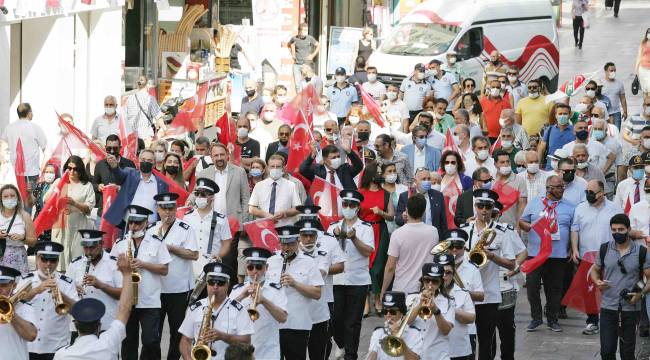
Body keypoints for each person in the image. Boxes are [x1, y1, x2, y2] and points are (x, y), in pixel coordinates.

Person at [458, 189, 515, 360]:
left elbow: (511, 263)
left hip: (489, 295)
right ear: (475, 206)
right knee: (465, 340)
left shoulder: (500, 232)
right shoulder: (464, 230)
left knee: (486, 342)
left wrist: (491, 256)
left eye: (488, 207)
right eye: (480, 206)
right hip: (466, 293)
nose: (484, 210)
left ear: (492, 209)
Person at [110, 205, 172, 360]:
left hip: (149, 301)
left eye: (137, 223)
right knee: (128, 341)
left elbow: (165, 270)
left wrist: (144, 264)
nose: (133, 226)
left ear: (146, 223)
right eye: (131, 222)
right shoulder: (121, 243)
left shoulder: (157, 242)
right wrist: (123, 268)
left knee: (151, 341)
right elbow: (111, 269)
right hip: (127, 300)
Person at [519, 175, 575, 333]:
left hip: (558, 255)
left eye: (562, 187)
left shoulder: (570, 207)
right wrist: (528, 227)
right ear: (549, 188)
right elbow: (522, 221)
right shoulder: (535, 203)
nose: (561, 190)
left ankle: (552, 319)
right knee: (532, 286)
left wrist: (572, 248)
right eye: (558, 187)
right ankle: (536, 318)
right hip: (536, 254)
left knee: (555, 288)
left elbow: (574, 230)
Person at [590, 214, 650, 360]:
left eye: (621, 229)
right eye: (614, 230)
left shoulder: (641, 251)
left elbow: (648, 278)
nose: (617, 233)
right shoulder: (605, 249)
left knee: (627, 353)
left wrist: (640, 294)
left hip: (630, 309)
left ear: (629, 229)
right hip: (608, 307)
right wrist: (597, 281)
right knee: (607, 350)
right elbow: (595, 270)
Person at [54, 252, 133, 360]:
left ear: (76, 324)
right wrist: (127, 274)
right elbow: (125, 308)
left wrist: (59, 293)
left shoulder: (61, 355)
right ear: (99, 326)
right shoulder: (108, 344)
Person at [569, 180, 623, 335]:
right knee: (589, 289)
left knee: (610, 287)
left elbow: (621, 231)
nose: (588, 195)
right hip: (587, 256)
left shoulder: (614, 208)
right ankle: (592, 321)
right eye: (587, 191)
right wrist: (574, 249)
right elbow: (575, 230)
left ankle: (611, 319)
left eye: (592, 192)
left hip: (610, 255)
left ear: (602, 192)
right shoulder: (580, 208)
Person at [150, 192, 199, 360]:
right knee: (153, 333)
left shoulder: (185, 228)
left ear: (176, 208)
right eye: (164, 209)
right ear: (158, 209)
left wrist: (171, 248)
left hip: (178, 288)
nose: (167, 213)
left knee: (176, 331)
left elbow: (194, 254)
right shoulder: (151, 229)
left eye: (171, 208)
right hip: (155, 288)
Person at [327, 190, 374, 360]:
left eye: (351, 205)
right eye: (345, 204)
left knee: (353, 322)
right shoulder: (332, 226)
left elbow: (368, 251)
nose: (347, 208)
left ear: (357, 207)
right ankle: (340, 344)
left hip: (358, 280)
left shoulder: (365, 227)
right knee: (336, 320)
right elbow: (326, 253)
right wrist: (334, 237)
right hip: (337, 280)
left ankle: (351, 355)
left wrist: (354, 238)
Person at [266, 225, 323, 360]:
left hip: (297, 325)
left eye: (291, 243)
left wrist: (295, 284)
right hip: (273, 324)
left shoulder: (309, 262)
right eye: (284, 244)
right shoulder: (270, 262)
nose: (286, 248)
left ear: (298, 241)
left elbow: (317, 293)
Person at [178, 261, 253, 360]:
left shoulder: (239, 310)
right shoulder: (195, 308)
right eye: (211, 282)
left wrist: (222, 336)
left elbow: (246, 341)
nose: (215, 287)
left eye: (220, 283)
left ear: (228, 284)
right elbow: (185, 340)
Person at [18, 241, 78, 359]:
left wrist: (61, 294)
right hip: (28, 346)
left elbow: (77, 310)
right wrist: (37, 290)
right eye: (44, 259)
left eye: (53, 260)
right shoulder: (25, 280)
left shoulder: (67, 282)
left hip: (56, 347)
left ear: (58, 261)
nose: (48, 264)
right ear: (36, 259)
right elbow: (16, 303)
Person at [230, 247, 288, 359]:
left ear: (266, 268)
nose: (254, 271)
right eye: (250, 267)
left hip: (268, 352)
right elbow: (226, 314)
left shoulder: (276, 289)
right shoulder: (237, 289)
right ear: (246, 268)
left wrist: (264, 301)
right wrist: (242, 296)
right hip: (242, 352)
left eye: (259, 267)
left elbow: (283, 318)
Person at [66, 230, 123, 333]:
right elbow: (65, 293)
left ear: (101, 244)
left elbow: (123, 294)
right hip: (80, 324)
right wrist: (74, 290)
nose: (88, 252)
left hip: (106, 324)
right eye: (85, 247)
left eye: (92, 247)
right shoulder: (75, 264)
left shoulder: (114, 263)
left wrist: (101, 285)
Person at [381, 193, 437, 296]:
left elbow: (390, 267)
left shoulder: (397, 234)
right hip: (425, 289)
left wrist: (383, 291)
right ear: (424, 211)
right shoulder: (433, 232)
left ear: (406, 210)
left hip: (401, 289)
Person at [358, 162, 395, 314]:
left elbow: (391, 216)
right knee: (364, 266)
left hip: (380, 230)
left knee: (378, 268)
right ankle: (366, 303)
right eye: (379, 172)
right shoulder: (360, 192)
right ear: (371, 174)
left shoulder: (386, 194)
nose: (381, 175)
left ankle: (378, 299)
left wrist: (381, 212)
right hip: (363, 231)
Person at [48, 155, 96, 271]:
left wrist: (74, 203)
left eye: (75, 169)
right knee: (59, 263)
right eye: (69, 168)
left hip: (78, 228)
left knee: (78, 262)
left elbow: (88, 208)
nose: (72, 171)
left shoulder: (86, 185)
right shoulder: (60, 182)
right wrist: (58, 198)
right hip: (60, 228)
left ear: (80, 170)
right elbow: (47, 200)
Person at [104, 150, 169, 225]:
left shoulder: (162, 184)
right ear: (139, 161)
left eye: (149, 160)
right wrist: (115, 166)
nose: (146, 162)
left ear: (154, 164)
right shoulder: (130, 173)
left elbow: (164, 207)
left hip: (151, 227)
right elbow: (119, 177)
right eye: (143, 160)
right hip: (129, 225)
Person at [184, 178, 232, 276]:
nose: (199, 197)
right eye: (197, 194)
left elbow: (226, 243)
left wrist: (219, 255)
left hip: (211, 265)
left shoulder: (221, 219)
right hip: (190, 265)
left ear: (212, 197)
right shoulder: (187, 217)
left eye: (203, 194)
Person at [195, 143, 250, 227]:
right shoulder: (204, 173)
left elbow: (246, 198)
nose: (219, 158)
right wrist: (189, 201)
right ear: (211, 157)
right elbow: (195, 192)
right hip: (209, 221)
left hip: (233, 222)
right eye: (216, 155)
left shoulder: (240, 172)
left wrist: (244, 222)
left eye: (222, 155)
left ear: (227, 155)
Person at [407, 263, 455, 358]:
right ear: (422, 280)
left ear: (440, 282)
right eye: (427, 280)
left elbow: (446, 331)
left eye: (434, 281)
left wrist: (436, 310)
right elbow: (405, 323)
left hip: (438, 355)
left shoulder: (449, 301)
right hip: (414, 354)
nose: (430, 284)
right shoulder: (411, 298)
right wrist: (419, 305)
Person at [1, 103, 47, 192]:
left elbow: (2, 144)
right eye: (32, 112)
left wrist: (4, 160)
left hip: (14, 172)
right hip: (31, 172)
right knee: (30, 201)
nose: (32, 114)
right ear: (29, 113)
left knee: (16, 199)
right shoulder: (35, 128)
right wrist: (43, 169)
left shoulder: (9, 127)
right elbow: (46, 149)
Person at [367, 291, 422, 360]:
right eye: (385, 311)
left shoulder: (415, 333)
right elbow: (371, 357)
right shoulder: (378, 332)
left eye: (392, 312)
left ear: (402, 313)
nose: (388, 315)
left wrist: (401, 342)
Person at [249, 154, 300, 227]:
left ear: (283, 168)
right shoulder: (259, 186)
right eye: (272, 166)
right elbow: (252, 209)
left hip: (284, 229)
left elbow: (297, 208)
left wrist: (284, 213)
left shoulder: (291, 185)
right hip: (264, 228)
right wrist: (266, 215)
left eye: (278, 167)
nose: (275, 169)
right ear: (268, 168)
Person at [93, 134, 136, 218]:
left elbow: (133, 186)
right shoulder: (100, 165)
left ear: (120, 148)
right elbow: (93, 184)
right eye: (109, 148)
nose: (112, 151)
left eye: (115, 148)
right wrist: (98, 186)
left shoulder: (129, 164)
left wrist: (119, 188)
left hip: (122, 212)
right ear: (105, 147)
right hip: (104, 210)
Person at [0, 265, 37, 360]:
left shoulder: (24, 306)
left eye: (3, 285)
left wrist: (8, 310)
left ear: (14, 285)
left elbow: (31, 335)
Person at [395, 168, 448, 233]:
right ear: (415, 181)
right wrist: (403, 217)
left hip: (433, 236)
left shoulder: (438, 196)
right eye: (423, 179)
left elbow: (443, 221)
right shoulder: (405, 196)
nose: (427, 181)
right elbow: (398, 220)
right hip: (413, 236)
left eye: (429, 179)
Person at [0, 184, 36, 274]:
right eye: (5, 196)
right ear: (1, 199)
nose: (9, 199)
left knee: (19, 286)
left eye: (12, 196)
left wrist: (22, 238)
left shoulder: (25, 216)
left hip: (18, 259)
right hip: (1, 255)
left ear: (18, 198)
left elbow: (34, 242)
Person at [491, 150, 527, 228]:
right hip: (491, 227)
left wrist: (518, 226)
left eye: (508, 161)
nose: (506, 164)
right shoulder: (490, 179)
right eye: (502, 162)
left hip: (511, 228)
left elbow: (522, 206)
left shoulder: (520, 181)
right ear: (495, 164)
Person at [125, 76, 160, 143]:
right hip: (145, 136)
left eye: (141, 80)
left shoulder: (129, 98)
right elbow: (158, 116)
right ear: (147, 84)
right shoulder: (150, 98)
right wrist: (165, 130)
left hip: (132, 136)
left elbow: (125, 118)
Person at [288, 23, 320, 92]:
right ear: (299, 31)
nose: (306, 32)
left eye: (306, 30)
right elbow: (289, 44)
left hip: (306, 64)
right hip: (297, 64)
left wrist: (313, 55)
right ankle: (299, 100)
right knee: (297, 85)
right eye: (304, 30)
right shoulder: (294, 38)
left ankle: (308, 98)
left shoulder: (309, 38)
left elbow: (318, 45)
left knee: (308, 83)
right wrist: (292, 54)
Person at [31, 164, 59, 242]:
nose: (48, 174)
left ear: (56, 174)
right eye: (47, 172)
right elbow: (31, 203)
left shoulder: (58, 187)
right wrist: (29, 192)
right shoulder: (40, 185)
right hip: (38, 223)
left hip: (52, 225)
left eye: (51, 172)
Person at [601, 62, 628, 130]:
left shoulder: (619, 84)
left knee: (616, 133)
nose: (613, 72)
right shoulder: (600, 84)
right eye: (611, 70)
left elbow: (623, 98)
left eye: (614, 70)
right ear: (606, 71)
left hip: (616, 112)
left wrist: (625, 112)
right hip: (604, 113)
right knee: (605, 132)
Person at [636, 28, 650, 96]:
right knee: (644, 88)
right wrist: (636, 69)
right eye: (648, 33)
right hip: (643, 68)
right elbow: (639, 56)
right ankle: (646, 103)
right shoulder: (643, 43)